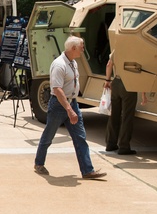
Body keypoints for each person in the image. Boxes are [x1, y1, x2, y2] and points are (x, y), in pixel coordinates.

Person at [33, 36, 106, 180]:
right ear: (73, 48)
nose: (83, 49)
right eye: (81, 47)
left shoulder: (73, 63)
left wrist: (72, 106)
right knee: (49, 136)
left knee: (80, 138)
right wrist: (69, 109)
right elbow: (57, 89)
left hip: (72, 103)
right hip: (59, 105)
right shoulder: (59, 65)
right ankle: (39, 163)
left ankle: (87, 171)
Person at [104, 52, 138, 155]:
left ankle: (110, 143)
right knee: (127, 116)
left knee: (114, 115)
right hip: (129, 84)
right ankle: (124, 146)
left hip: (116, 81)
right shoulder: (136, 50)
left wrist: (107, 80)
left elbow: (109, 64)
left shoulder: (116, 49)